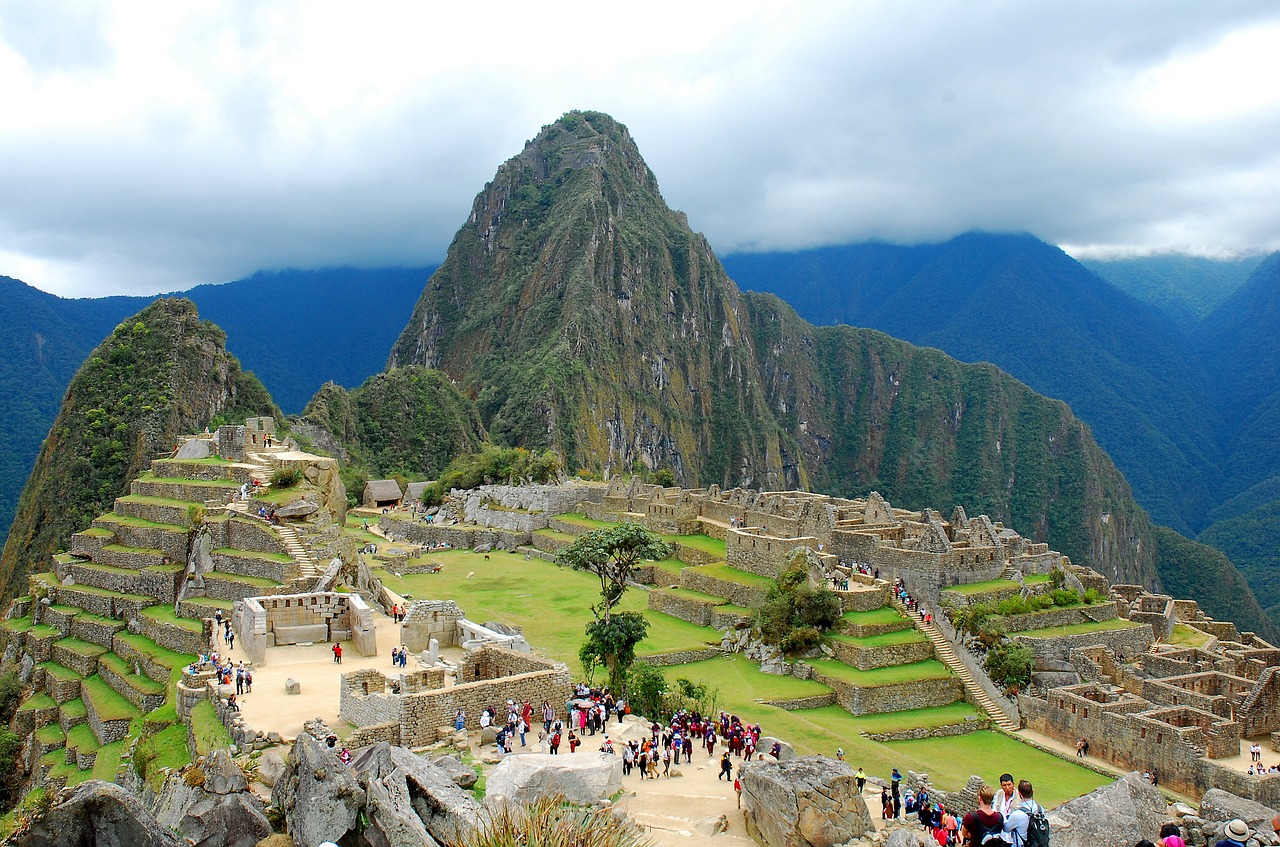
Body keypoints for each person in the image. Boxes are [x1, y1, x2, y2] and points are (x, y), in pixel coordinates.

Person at [1002, 780, 1042, 847]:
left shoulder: (1017, 814)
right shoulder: (1040, 808)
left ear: (1019, 793)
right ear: (1033, 791)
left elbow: (1006, 829)